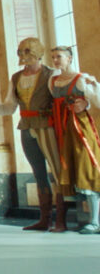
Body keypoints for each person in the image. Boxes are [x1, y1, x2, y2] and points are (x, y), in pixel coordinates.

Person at [0, 37, 59, 230]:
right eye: (20, 51)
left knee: (59, 172)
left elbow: (61, 99)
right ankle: (45, 218)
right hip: (26, 127)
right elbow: (10, 107)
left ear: (37, 53)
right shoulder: (16, 78)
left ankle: (62, 219)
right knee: (39, 173)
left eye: (27, 51)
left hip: (48, 125)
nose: (23, 56)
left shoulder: (51, 74)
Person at [46, 46, 100, 234]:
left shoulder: (81, 79)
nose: (55, 60)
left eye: (59, 57)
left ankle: (94, 221)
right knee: (71, 169)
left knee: (88, 168)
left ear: (69, 58)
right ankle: (84, 219)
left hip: (80, 129)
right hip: (62, 130)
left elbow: (97, 100)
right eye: (53, 57)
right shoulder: (53, 82)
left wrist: (87, 101)